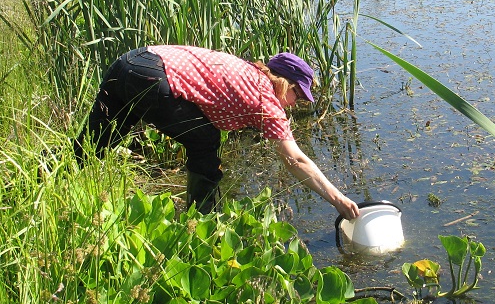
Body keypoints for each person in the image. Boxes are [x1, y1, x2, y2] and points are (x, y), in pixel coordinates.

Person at [74, 45, 360, 219]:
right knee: (206, 140)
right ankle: (202, 222)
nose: (295, 104)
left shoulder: (248, 72)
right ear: (286, 83)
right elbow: (295, 159)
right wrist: (338, 199)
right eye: (297, 95)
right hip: (154, 77)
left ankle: (54, 181)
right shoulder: (266, 100)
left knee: (92, 144)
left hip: (131, 61)